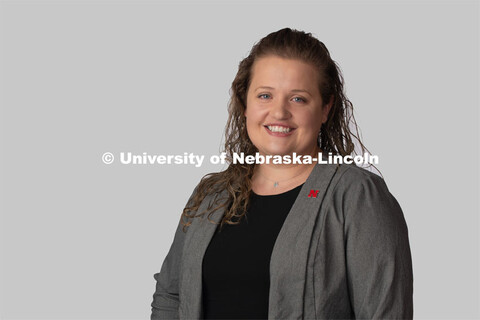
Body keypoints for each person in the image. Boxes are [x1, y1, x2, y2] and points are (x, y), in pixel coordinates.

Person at [150, 28, 413, 319]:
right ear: (245, 104)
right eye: (265, 95)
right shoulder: (211, 195)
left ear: (325, 108)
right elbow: (170, 296)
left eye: (298, 99)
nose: (278, 113)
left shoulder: (357, 196)